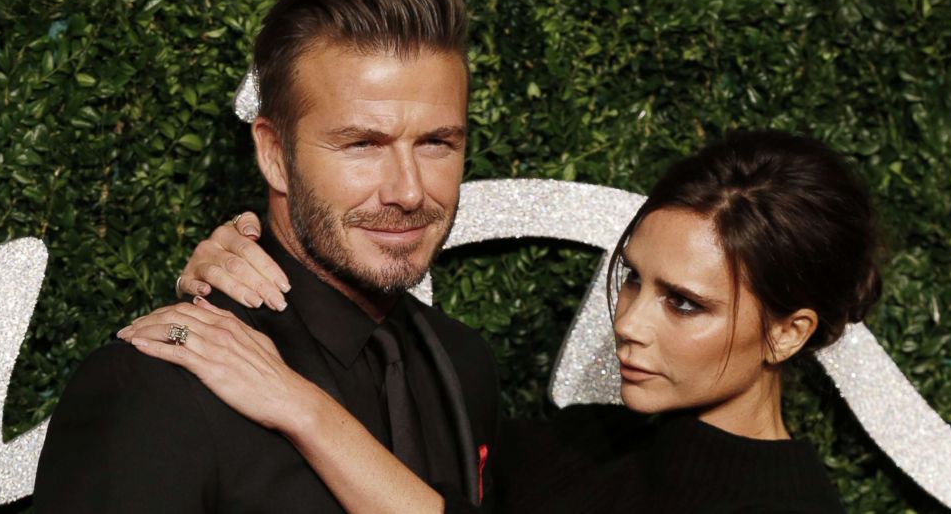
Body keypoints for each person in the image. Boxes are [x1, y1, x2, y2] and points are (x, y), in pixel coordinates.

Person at [120, 130, 876, 513]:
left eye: (684, 303)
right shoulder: (575, 444)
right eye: (631, 280)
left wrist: (297, 405)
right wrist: (251, 269)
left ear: (789, 331)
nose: (631, 323)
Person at [34, 0, 499, 512]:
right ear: (275, 155)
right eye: (362, 145)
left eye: (436, 143)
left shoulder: (465, 363)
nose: (409, 191)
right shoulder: (159, 383)